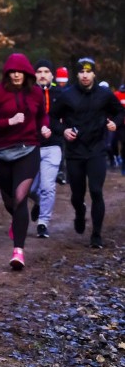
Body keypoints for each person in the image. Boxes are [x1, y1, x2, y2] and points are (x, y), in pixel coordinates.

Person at [0, 53, 50, 269]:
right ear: (7, 74)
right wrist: (8, 121)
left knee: (20, 198)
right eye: (12, 72)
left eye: (20, 71)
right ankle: (18, 221)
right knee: (10, 201)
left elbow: (42, 116)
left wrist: (45, 126)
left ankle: (18, 251)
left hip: (28, 149)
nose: (16, 75)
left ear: (27, 73)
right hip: (1, 152)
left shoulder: (36, 92)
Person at [49, 57, 124, 248]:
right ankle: (80, 212)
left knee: (97, 191)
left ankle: (96, 235)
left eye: (88, 71)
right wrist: (63, 130)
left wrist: (115, 122)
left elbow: (120, 111)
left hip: (97, 149)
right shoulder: (67, 95)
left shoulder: (104, 94)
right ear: (78, 74)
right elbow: (52, 117)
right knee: (77, 194)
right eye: (81, 71)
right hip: (75, 151)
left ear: (94, 74)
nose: (84, 75)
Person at [28, 59, 63, 239]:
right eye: (39, 71)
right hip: (31, 145)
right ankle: (40, 203)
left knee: (48, 185)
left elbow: (70, 116)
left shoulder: (61, 94)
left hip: (53, 146)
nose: (42, 74)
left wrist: (61, 129)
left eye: (46, 71)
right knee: (30, 188)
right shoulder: (28, 94)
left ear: (51, 75)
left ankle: (43, 222)